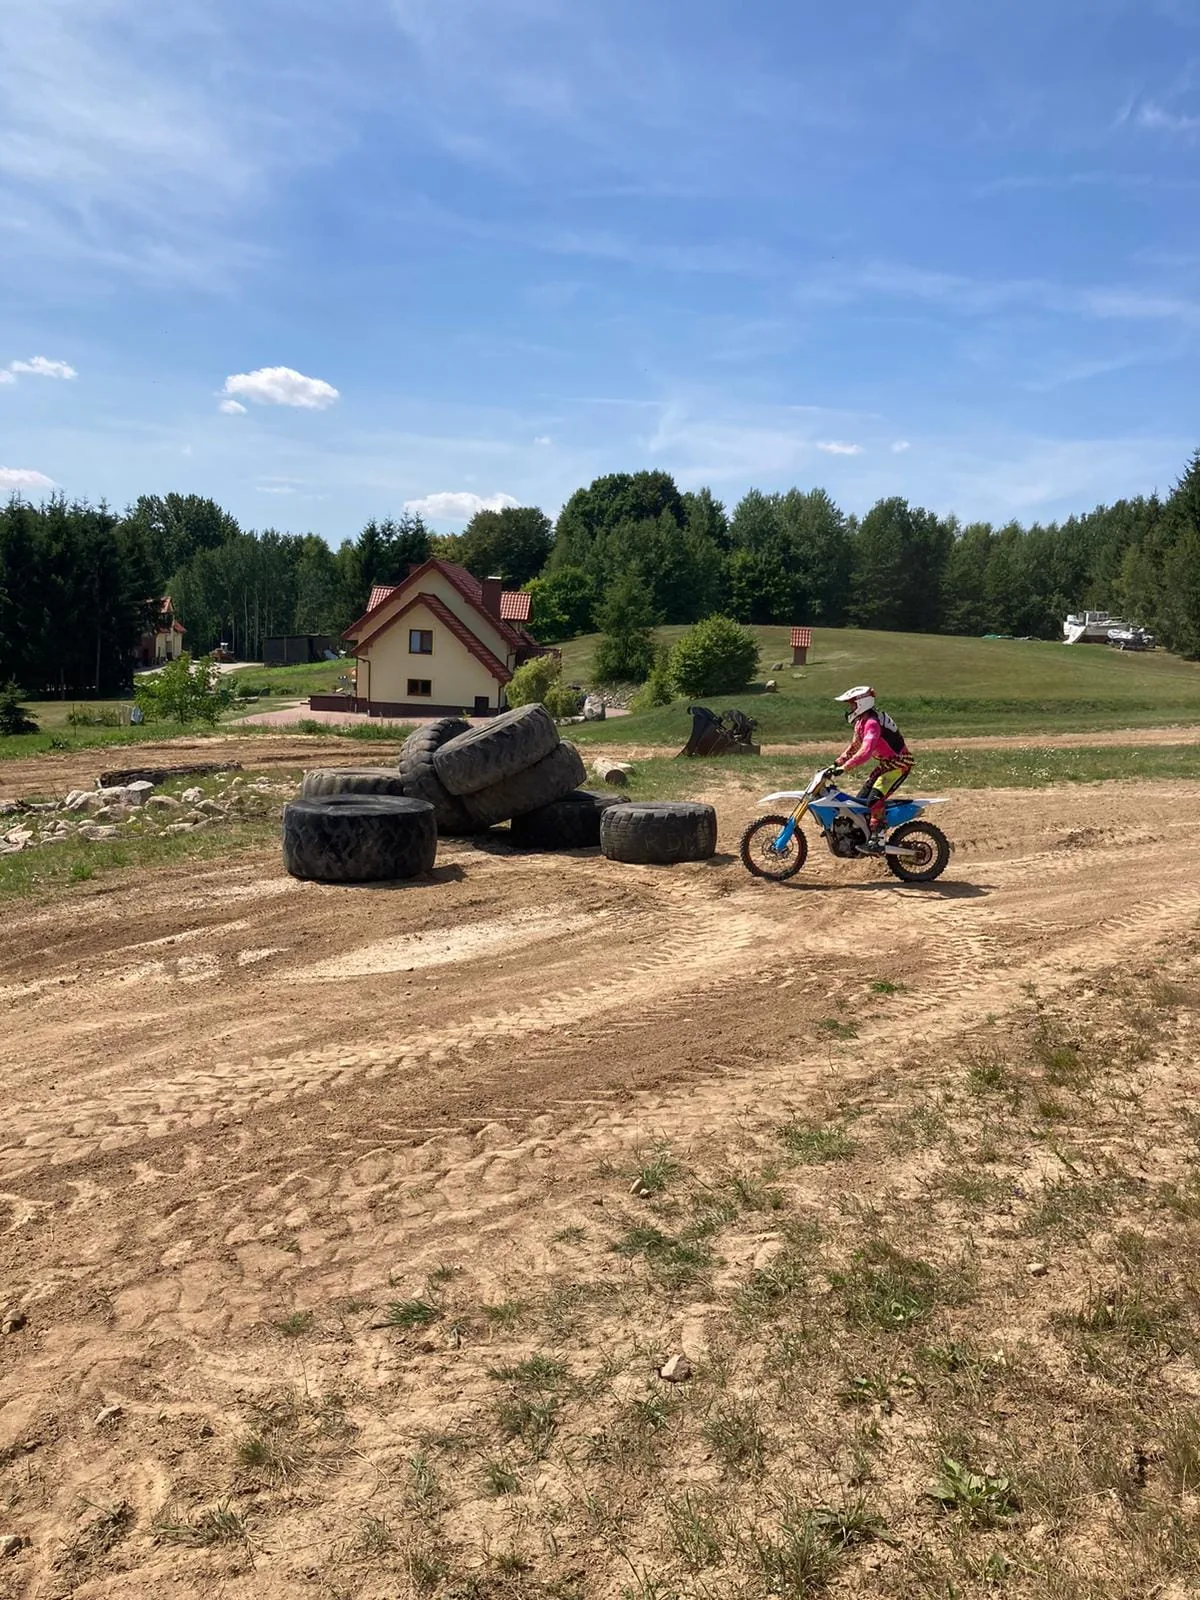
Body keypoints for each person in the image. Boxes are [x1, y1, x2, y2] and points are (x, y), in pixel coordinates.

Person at [830, 685, 913, 850]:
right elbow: (854, 746)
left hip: (899, 764)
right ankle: (860, 837)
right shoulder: (861, 722)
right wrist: (836, 763)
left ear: (862, 703)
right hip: (886, 765)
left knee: (874, 799)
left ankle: (879, 839)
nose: (850, 709)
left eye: (852, 705)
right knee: (859, 803)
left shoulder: (873, 723)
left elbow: (865, 751)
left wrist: (844, 768)